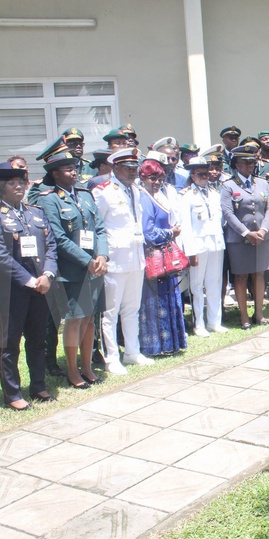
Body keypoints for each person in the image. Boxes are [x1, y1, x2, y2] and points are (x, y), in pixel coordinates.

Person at [0, 164, 58, 410]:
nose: (19, 187)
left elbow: (52, 246)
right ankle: (12, 393)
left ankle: (38, 385)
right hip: (13, 290)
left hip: (41, 287)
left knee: (37, 339)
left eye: (21, 182)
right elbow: (0, 257)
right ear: (0, 188)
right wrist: (29, 280)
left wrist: (47, 275)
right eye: (12, 183)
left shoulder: (35, 212)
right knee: (9, 342)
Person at [37, 150, 108, 389]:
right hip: (71, 271)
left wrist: (101, 255)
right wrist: (86, 260)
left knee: (89, 320)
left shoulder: (85, 195)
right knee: (75, 320)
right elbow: (58, 238)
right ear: (55, 173)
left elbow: (99, 228)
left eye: (75, 168)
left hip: (94, 268)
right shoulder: (49, 199)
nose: (74, 172)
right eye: (67, 169)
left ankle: (87, 367)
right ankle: (72, 370)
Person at [93, 148, 154, 374]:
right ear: (115, 167)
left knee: (132, 309)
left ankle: (132, 352)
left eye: (134, 168)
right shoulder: (103, 192)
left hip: (136, 257)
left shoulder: (136, 190)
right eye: (127, 168)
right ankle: (111, 357)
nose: (132, 172)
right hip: (114, 259)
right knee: (110, 312)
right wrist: (100, 256)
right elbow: (97, 226)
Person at [221, 144, 269, 329]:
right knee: (241, 277)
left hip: (261, 237)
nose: (249, 166)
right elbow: (228, 213)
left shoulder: (262, 183)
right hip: (239, 239)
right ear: (236, 164)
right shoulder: (228, 186)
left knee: (259, 275)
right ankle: (244, 316)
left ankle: (259, 313)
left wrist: (263, 230)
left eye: (252, 162)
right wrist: (246, 232)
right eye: (245, 162)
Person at [137, 159, 188, 356]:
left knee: (168, 297)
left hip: (164, 255)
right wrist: (170, 233)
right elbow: (148, 232)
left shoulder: (158, 196)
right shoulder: (144, 198)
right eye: (152, 178)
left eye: (160, 178)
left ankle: (171, 343)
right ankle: (155, 346)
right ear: (143, 178)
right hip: (153, 256)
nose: (156, 182)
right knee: (154, 301)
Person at [177, 156, 226, 335]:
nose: (205, 176)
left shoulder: (214, 193)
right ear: (192, 174)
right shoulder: (186, 195)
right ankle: (199, 323)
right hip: (198, 245)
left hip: (216, 243)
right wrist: (190, 251)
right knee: (197, 287)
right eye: (200, 174)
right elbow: (186, 226)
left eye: (206, 173)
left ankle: (215, 321)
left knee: (214, 283)